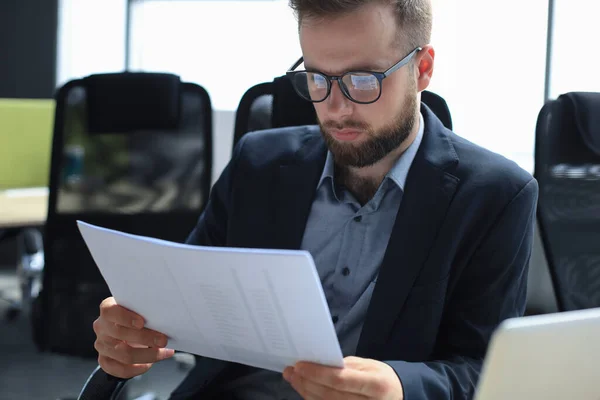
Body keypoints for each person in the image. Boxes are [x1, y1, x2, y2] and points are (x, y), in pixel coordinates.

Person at [92, 0, 539, 399]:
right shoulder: (258, 162)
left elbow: (484, 371)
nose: (336, 107)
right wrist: (132, 333)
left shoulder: (495, 195)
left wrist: (401, 387)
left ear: (421, 70)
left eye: (363, 81)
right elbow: (184, 305)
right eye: (316, 78)